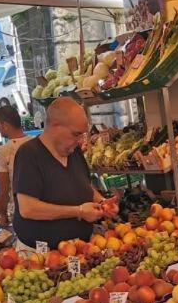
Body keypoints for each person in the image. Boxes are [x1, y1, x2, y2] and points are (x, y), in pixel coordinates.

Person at [12, 98, 115, 249]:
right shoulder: (29, 154)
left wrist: (102, 202)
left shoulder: (74, 152)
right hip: (41, 256)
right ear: (55, 126)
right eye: (76, 134)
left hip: (80, 249)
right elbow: (28, 208)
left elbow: (83, 185)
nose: (80, 140)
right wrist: (79, 211)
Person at [0, 104, 29, 227]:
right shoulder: (37, 142)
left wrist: (3, 215)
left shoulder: (3, 152)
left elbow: (2, 189)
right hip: (43, 206)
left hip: (20, 209)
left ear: (5, 126)